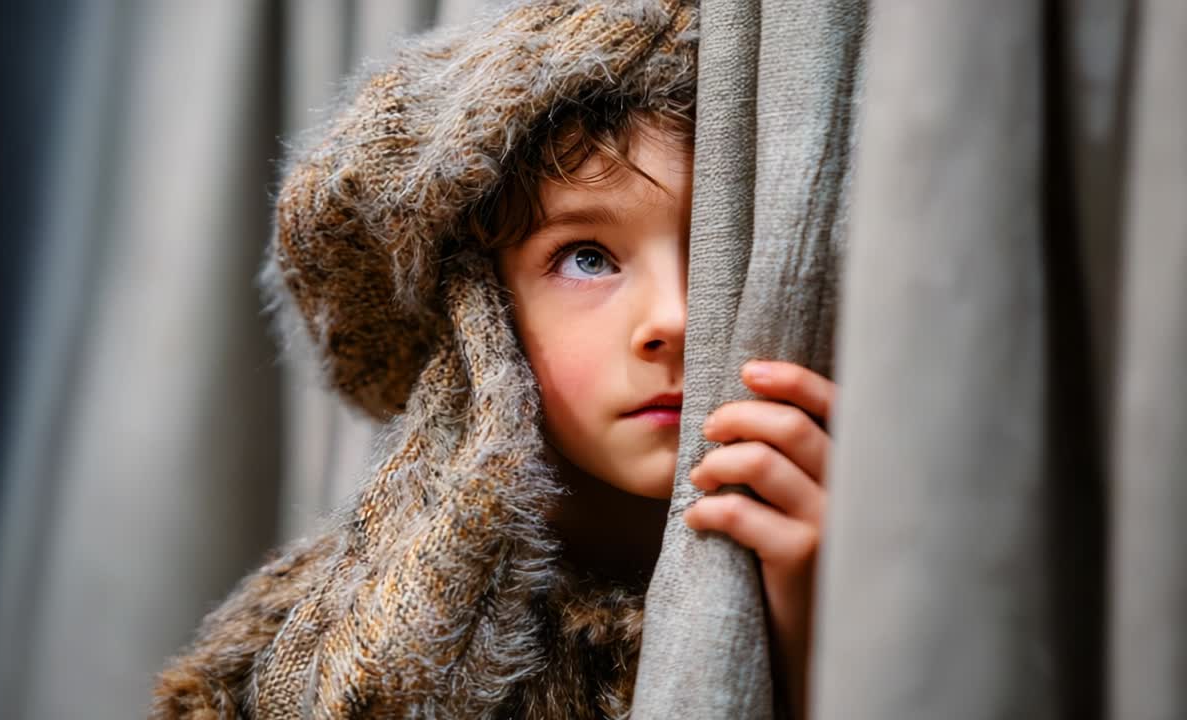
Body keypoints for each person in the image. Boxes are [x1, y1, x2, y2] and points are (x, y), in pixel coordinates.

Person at [151, 1, 834, 717]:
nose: (675, 319)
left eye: (718, 251)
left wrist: (814, 645)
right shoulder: (308, 655)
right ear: (485, 317)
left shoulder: (860, 558)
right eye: (587, 257)